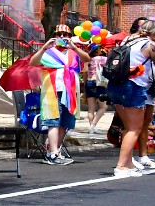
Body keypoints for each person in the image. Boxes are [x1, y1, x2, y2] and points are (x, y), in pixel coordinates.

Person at [110, 20, 155, 177]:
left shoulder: (127, 39)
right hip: (133, 86)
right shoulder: (150, 45)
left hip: (115, 85)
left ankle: (128, 164)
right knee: (135, 128)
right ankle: (121, 167)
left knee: (128, 127)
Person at [29, 25, 88, 165]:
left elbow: (86, 59)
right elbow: (33, 62)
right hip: (53, 91)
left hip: (70, 92)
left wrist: (74, 47)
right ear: (55, 36)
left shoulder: (73, 53)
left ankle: (54, 152)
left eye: (65, 34)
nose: (62, 37)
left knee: (64, 123)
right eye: (59, 34)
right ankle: (53, 154)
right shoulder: (49, 52)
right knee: (53, 121)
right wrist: (44, 47)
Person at [84, 43, 109, 133]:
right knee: (103, 107)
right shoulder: (102, 58)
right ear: (96, 50)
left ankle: (91, 126)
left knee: (91, 108)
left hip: (89, 83)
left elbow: (85, 73)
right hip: (99, 83)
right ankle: (93, 125)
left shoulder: (87, 60)